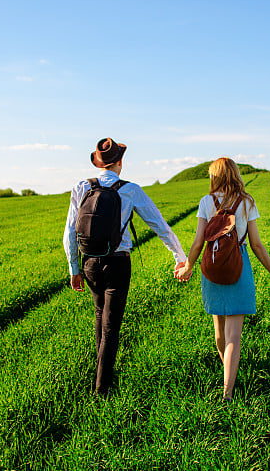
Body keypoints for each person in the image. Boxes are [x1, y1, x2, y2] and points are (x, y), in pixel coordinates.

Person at [63, 137, 187, 396]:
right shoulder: (130, 190)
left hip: (90, 263)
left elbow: (70, 232)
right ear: (120, 162)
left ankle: (101, 376)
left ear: (99, 163)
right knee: (111, 327)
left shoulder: (82, 186)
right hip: (118, 263)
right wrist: (179, 256)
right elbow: (159, 226)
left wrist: (74, 269)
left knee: (100, 316)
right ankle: (103, 389)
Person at [176, 157, 270, 401]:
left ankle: (229, 372)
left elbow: (197, 242)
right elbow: (256, 244)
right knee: (234, 335)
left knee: (220, 332)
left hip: (213, 266)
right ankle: (228, 391)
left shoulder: (207, 202)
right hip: (239, 265)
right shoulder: (247, 202)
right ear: (235, 174)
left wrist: (188, 266)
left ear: (215, 176)